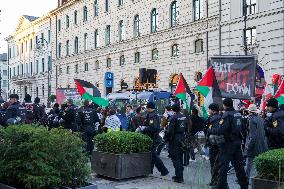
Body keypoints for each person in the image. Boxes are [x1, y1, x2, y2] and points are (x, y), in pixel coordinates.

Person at [209, 98, 248, 189]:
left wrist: (211, 130)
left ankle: (221, 186)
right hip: (237, 142)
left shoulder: (227, 115)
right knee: (239, 166)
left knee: (223, 165)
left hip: (228, 144)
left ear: (225, 105)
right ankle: (244, 185)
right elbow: (244, 128)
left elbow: (220, 130)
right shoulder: (238, 114)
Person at [143, 102, 169, 177]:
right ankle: (150, 170)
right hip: (152, 137)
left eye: (147, 108)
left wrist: (144, 129)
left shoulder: (153, 116)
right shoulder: (152, 115)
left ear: (149, 108)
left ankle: (164, 170)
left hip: (153, 138)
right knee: (151, 155)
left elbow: (153, 128)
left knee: (153, 155)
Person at [166, 103, 187, 183]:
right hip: (182, 137)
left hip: (175, 139)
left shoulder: (173, 117)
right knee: (180, 157)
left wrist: (167, 139)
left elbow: (170, 131)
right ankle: (179, 175)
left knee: (175, 158)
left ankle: (179, 177)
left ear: (173, 109)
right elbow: (186, 128)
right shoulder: (183, 117)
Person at [244, 104, 268, 178]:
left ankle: (246, 178)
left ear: (250, 112)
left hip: (254, 144)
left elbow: (253, 136)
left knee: (249, 161)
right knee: (258, 161)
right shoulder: (260, 118)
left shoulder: (251, 120)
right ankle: (261, 176)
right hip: (262, 143)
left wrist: (249, 146)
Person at [205, 103, 221, 186]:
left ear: (213, 110)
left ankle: (215, 181)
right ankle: (215, 181)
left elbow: (215, 131)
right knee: (216, 163)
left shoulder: (214, 119)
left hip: (214, 144)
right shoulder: (218, 117)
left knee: (214, 163)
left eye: (209, 109)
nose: (208, 111)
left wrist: (209, 130)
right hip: (217, 144)